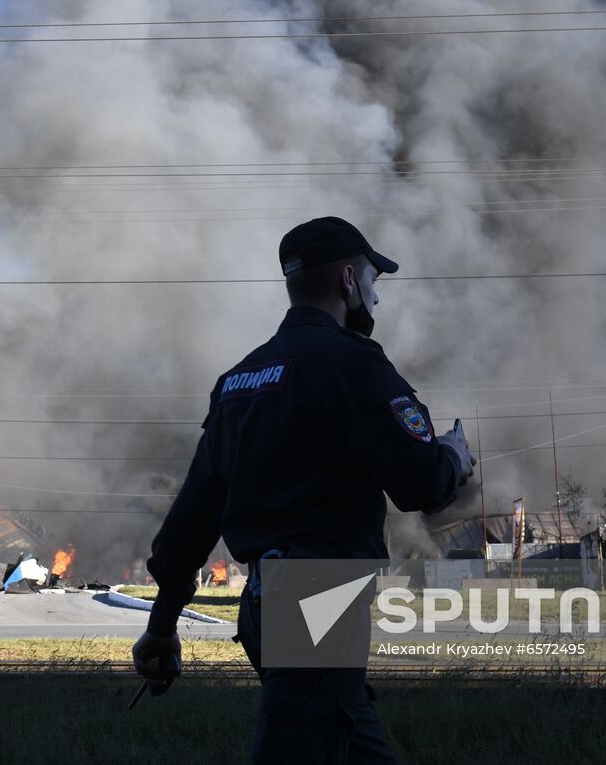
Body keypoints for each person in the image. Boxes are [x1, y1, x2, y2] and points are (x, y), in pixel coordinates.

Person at [132, 216, 476, 763]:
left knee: (341, 735)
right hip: (320, 600)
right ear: (347, 280)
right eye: (372, 281)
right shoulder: (350, 362)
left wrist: (162, 624)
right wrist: (453, 459)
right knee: (300, 742)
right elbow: (418, 484)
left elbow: (194, 514)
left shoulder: (239, 381)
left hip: (265, 605)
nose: (374, 297)